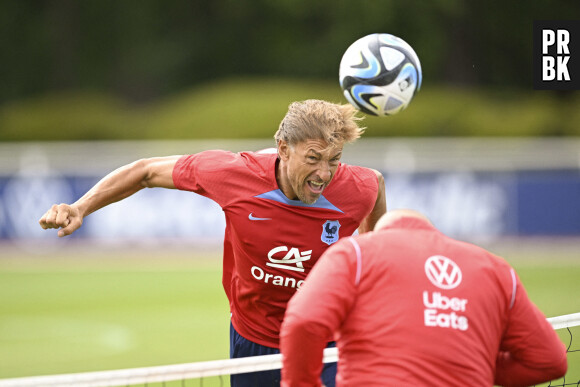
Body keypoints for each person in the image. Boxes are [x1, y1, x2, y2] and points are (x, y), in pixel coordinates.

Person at [38, 99, 386, 387]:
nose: (324, 174)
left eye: (334, 160)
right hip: (254, 341)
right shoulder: (233, 174)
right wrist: (80, 207)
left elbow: (377, 187)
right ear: (283, 148)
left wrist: (370, 264)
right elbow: (145, 171)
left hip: (324, 341)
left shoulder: (358, 188)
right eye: (313, 159)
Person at [280, 209, 568, 387]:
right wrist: (466, 364)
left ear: (382, 231)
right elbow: (550, 361)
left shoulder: (355, 252)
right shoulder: (495, 268)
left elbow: (304, 321)